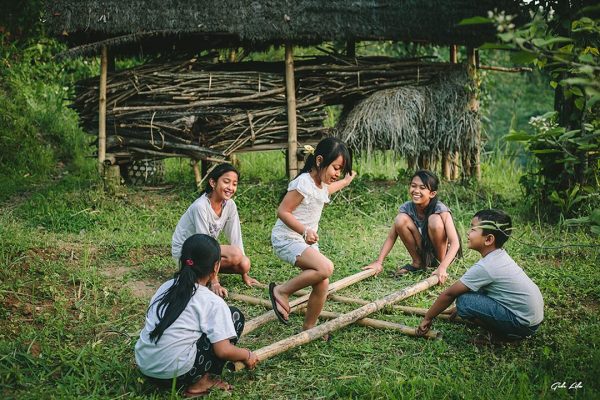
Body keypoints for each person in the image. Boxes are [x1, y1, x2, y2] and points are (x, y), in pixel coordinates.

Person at [135, 234, 258, 398]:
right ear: (216, 267)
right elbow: (223, 351)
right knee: (234, 316)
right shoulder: (212, 302)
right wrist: (247, 355)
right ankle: (200, 382)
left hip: (145, 367)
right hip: (176, 375)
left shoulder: (165, 287)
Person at [416, 209, 544, 341]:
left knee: (465, 301)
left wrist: (428, 318)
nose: (468, 232)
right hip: (531, 320)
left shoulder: (486, 267)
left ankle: (503, 334)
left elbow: (449, 294)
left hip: (521, 324)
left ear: (488, 239)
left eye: (473, 229)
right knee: (473, 292)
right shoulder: (499, 256)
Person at [269, 138, 356, 330]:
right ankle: (281, 291)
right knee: (326, 268)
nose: (337, 173)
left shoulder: (321, 184)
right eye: (335, 167)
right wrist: (305, 230)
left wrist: (345, 181)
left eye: (340, 169)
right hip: (288, 238)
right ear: (319, 161)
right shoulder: (303, 183)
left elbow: (328, 190)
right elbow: (283, 211)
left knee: (323, 282)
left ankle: (309, 327)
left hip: (305, 240)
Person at [172, 163, 258, 298]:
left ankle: (200, 273)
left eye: (234, 184)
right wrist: (214, 282)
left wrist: (244, 274)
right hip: (186, 253)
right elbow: (204, 244)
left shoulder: (230, 205)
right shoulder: (200, 206)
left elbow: (236, 237)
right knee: (234, 254)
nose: (231, 187)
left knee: (245, 263)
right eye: (226, 182)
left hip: (204, 251)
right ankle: (202, 274)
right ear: (213, 182)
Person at [365, 170, 461, 284]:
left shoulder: (441, 209)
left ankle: (439, 265)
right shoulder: (407, 208)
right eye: (413, 186)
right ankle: (418, 263)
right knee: (400, 219)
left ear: (432, 193)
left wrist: (443, 267)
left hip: (444, 255)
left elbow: (455, 242)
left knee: (434, 220)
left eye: (422, 188)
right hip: (425, 249)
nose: (416, 191)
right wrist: (379, 262)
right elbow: (391, 237)